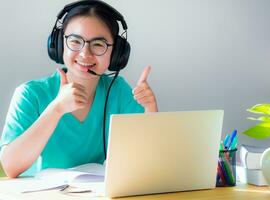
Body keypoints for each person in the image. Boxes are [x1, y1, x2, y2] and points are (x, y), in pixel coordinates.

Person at [0, 0, 157, 178]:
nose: (85, 54)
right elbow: (10, 167)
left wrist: (150, 110)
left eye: (98, 44)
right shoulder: (30, 94)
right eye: (75, 41)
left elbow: (149, 161)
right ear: (59, 44)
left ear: (116, 53)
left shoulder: (118, 91)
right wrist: (56, 109)